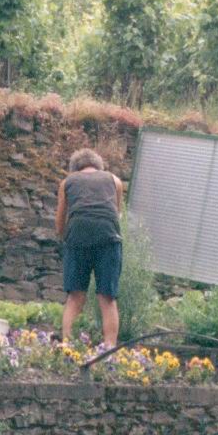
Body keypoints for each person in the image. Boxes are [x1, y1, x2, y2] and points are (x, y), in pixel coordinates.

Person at [55, 148, 124, 347]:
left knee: (75, 297)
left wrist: (65, 239)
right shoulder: (115, 181)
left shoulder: (67, 182)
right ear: (99, 167)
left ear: (74, 169)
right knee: (107, 298)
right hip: (108, 238)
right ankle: (109, 349)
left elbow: (61, 219)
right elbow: (116, 214)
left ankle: (67, 345)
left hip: (78, 237)